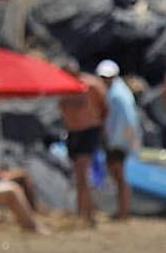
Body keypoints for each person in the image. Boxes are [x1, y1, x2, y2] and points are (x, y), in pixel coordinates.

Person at [59, 62, 107, 226]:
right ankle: (82, 211)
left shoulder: (90, 85)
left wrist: (101, 129)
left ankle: (89, 214)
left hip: (89, 130)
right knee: (78, 174)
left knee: (82, 171)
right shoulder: (63, 87)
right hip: (73, 132)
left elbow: (104, 107)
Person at [97, 60, 139, 222]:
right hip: (117, 139)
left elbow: (127, 121)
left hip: (118, 141)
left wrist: (118, 141)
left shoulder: (118, 95)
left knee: (119, 175)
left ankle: (124, 211)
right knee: (118, 175)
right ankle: (122, 210)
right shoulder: (116, 91)